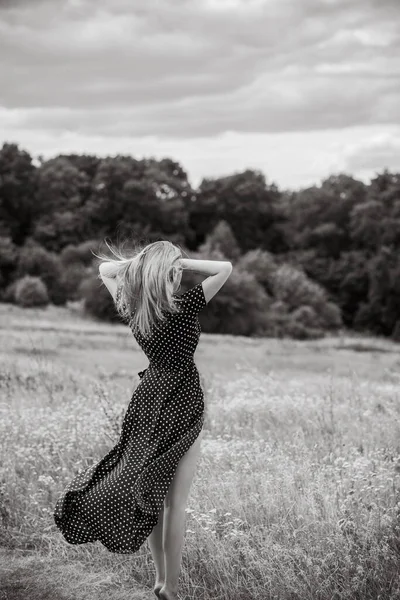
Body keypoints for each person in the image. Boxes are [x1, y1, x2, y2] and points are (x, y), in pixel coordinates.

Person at [53, 239, 232, 600]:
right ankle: (172, 588)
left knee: (150, 492)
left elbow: (106, 268)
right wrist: (179, 261)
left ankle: (160, 578)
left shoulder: (135, 306)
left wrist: (149, 261)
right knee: (175, 503)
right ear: (171, 270)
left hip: (149, 399)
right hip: (182, 399)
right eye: (176, 268)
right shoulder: (184, 304)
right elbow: (224, 268)